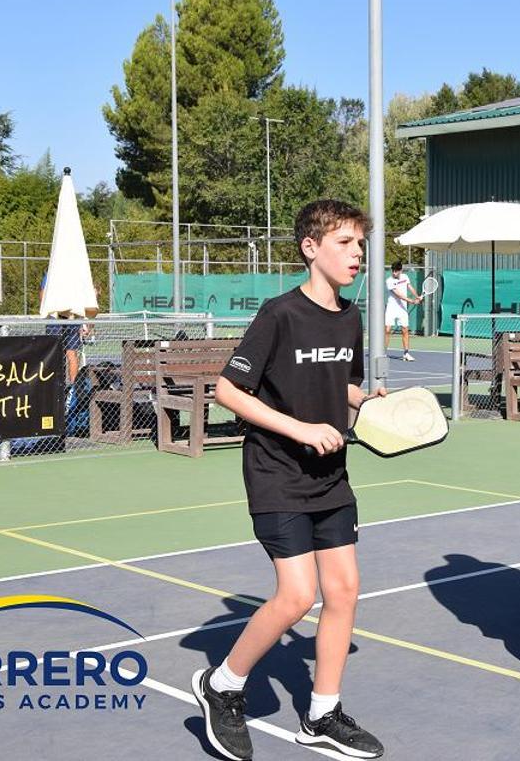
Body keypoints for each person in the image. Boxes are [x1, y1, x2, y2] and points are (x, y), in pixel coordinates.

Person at [193, 199, 386, 761]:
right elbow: (229, 391)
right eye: (345, 243)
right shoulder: (278, 314)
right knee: (298, 594)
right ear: (311, 248)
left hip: (331, 476)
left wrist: (365, 400)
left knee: (344, 589)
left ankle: (322, 714)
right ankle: (223, 684)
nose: (357, 254)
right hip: (277, 473)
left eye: (360, 245)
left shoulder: (350, 317)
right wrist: (299, 429)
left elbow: (341, 383)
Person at [39, 272, 82, 385]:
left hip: (57, 317)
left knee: (57, 353)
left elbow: (43, 296)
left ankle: (59, 387)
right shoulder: (74, 275)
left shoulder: (52, 274)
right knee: (70, 353)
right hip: (71, 316)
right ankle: (72, 389)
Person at [384, 261, 420, 361]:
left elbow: (410, 287)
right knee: (387, 330)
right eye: (393, 271)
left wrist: (417, 296)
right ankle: (383, 353)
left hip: (402, 309)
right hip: (391, 308)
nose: (394, 273)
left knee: (405, 330)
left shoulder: (405, 277)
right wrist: (411, 301)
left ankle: (406, 353)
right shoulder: (389, 281)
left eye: (396, 271)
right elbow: (398, 294)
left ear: (400, 271)